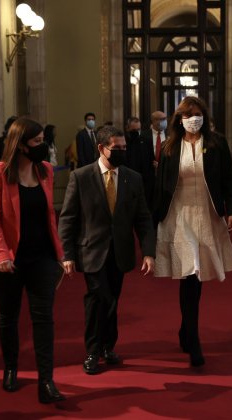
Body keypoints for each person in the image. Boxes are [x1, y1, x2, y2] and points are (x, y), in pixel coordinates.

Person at [58, 125, 156, 375]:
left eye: (125, 147)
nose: (123, 151)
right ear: (101, 148)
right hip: (91, 251)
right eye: (117, 148)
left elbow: (142, 217)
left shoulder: (132, 178)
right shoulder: (80, 177)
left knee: (111, 300)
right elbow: (68, 218)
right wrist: (66, 254)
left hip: (120, 252)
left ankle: (107, 346)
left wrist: (148, 251)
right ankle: (92, 350)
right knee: (100, 297)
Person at [0, 117, 66, 404]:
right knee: (9, 316)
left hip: (41, 256)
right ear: (21, 146)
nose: (43, 147)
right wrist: (2, 254)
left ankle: (46, 381)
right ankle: (10, 368)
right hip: (6, 259)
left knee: (44, 318)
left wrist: (59, 255)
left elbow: (49, 216)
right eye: (37, 142)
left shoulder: (46, 171)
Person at [154, 96, 232, 367]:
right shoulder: (170, 147)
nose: (194, 118)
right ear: (179, 119)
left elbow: (229, 179)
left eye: (198, 113)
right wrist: (152, 222)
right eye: (189, 114)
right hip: (179, 216)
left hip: (207, 214)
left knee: (197, 275)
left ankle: (185, 329)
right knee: (188, 274)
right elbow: (159, 187)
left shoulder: (216, 144)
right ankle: (193, 338)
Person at [125, 116, 155, 205]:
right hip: (128, 180)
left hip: (144, 180)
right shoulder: (123, 142)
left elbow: (151, 160)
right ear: (127, 128)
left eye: (138, 129)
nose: (137, 132)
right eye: (134, 130)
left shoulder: (146, 141)